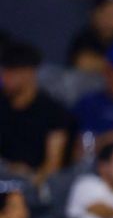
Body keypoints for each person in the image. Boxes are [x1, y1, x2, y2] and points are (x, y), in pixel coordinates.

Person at [0, 39, 71, 188]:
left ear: (29, 73)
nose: (3, 78)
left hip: (33, 185)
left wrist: (28, 177)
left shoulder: (54, 112)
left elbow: (53, 165)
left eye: (10, 72)